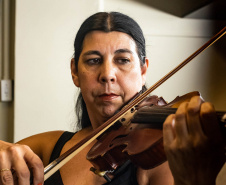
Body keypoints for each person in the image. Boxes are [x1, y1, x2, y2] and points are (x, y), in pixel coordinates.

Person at [0, 12, 225, 185]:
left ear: (143, 70)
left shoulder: (162, 160)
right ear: (74, 72)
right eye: (93, 60)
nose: (107, 74)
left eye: (123, 60)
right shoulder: (49, 147)